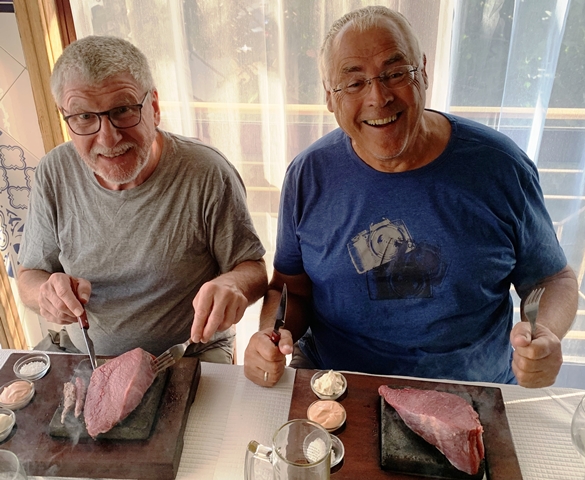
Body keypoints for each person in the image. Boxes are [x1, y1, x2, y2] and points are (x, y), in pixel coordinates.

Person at [244, 6, 578, 387]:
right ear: (329, 97)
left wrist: (545, 334)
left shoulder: (501, 167)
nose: (378, 96)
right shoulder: (308, 176)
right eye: (354, 83)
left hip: (471, 389)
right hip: (339, 385)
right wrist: (270, 335)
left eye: (395, 73)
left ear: (423, 71)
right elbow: (289, 289)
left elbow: (554, 279)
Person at [17, 36, 267, 363]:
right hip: (89, 355)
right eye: (84, 117)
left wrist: (233, 285)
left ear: (154, 107)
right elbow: (29, 277)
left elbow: (253, 269)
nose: (108, 137)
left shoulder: (206, 172)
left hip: (189, 354)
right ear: (66, 119)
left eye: (122, 110)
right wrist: (45, 294)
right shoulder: (54, 172)